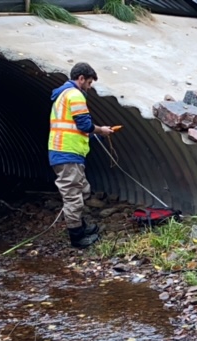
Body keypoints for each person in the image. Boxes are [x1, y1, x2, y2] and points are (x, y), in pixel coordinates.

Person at [48, 62, 115, 248]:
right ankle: (77, 238)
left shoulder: (63, 95)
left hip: (68, 152)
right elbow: (84, 125)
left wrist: (93, 136)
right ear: (81, 78)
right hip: (66, 153)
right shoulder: (75, 95)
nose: (89, 87)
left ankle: (81, 225)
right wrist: (101, 130)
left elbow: (73, 127)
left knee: (82, 190)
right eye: (89, 83)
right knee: (73, 197)